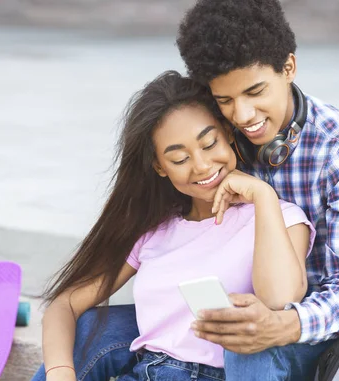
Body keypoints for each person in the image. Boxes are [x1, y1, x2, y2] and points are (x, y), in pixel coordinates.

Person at [31, 71, 315, 381]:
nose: (202, 165)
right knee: (89, 327)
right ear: (159, 167)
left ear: (228, 134)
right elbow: (66, 304)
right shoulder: (156, 229)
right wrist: (61, 374)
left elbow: (280, 300)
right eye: (179, 159)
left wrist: (263, 196)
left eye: (209, 144)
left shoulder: (280, 217)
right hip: (147, 371)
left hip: (217, 375)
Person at [174, 0, 339, 379]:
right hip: (245, 303)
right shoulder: (219, 141)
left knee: (248, 352)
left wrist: (282, 324)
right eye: (225, 100)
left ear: (288, 67)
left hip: (334, 324)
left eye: (255, 92)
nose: (243, 116)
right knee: (101, 330)